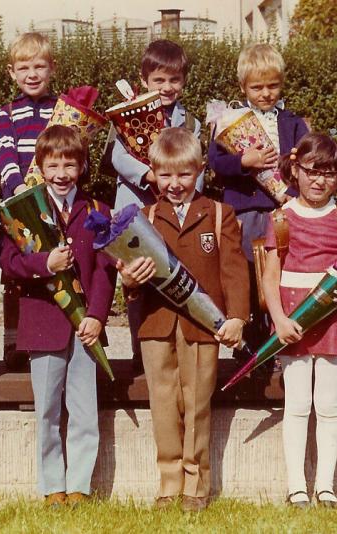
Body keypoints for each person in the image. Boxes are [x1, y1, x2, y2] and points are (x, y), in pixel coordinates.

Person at [118, 128, 249, 513]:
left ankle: (196, 483)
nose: (174, 184)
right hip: (156, 325)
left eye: (184, 174)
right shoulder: (144, 217)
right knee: (162, 403)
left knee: (197, 403)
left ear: (200, 170)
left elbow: (234, 271)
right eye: (165, 175)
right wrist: (129, 281)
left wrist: (237, 317)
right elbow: (129, 279)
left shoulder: (220, 214)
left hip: (202, 326)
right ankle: (169, 481)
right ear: (153, 173)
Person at [0, 125, 116, 506]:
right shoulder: (24, 209)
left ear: (82, 167)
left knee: (84, 409)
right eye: (53, 165)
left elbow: (105, 270)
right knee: (47, 410)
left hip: (85, 327)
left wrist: (97, 316)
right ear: (40, 167)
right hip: (43, 324)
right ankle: (53, 486)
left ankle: (80, 485)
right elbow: (9, 263)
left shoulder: (97, 210)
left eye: (70, 164)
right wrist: (43, 263)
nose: (62, 173)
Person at [262, 132, 337, 508]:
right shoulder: (280, 218)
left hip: (335, 320)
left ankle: (325, 486)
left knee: (328, 404)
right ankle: (296, 486)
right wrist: (279, 320)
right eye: (312, 171)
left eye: (329, 173)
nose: (319, 181)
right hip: (293, 321)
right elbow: (270, 277)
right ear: (295, 170)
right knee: (296, 404)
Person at [208, 42, 309, 364]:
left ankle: (280, 344)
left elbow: (304, 161)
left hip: (281, 210)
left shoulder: (292, 122)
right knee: (248, 277)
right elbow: (215, 164)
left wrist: (290, 182)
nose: (266, 93)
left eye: (273, 85)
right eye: (257, 87)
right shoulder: (229, 120)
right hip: (245, 212)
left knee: (279, 276)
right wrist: (243, 161)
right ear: (243, 86)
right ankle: (249, 350)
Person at [111, 39, 202, 371]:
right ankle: (140, 350)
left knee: (174, 273)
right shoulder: (127, 113)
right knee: (137, 277)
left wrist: (190, 198)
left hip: (174, 210)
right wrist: (147, 175)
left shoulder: (190, 123)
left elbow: (196, 165)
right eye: (158, 80)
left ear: (184, 80)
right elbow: (117, 157)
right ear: (144, 80)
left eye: (174, 80)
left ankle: (177, 348)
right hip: (136, 207)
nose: (166, 87)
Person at [0, 32, 58, 369]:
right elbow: (4, 156)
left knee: (56, 267)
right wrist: (19, 189)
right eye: (23, 68)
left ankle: (56, 337)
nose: (32, 74)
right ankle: (14, 342)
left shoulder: (62, 110)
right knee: (17, 274)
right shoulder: (5, 114)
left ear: (52, 68)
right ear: (11, 72)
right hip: (19, 207)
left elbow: (73, 153)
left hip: (56, 203)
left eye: (39, 66)